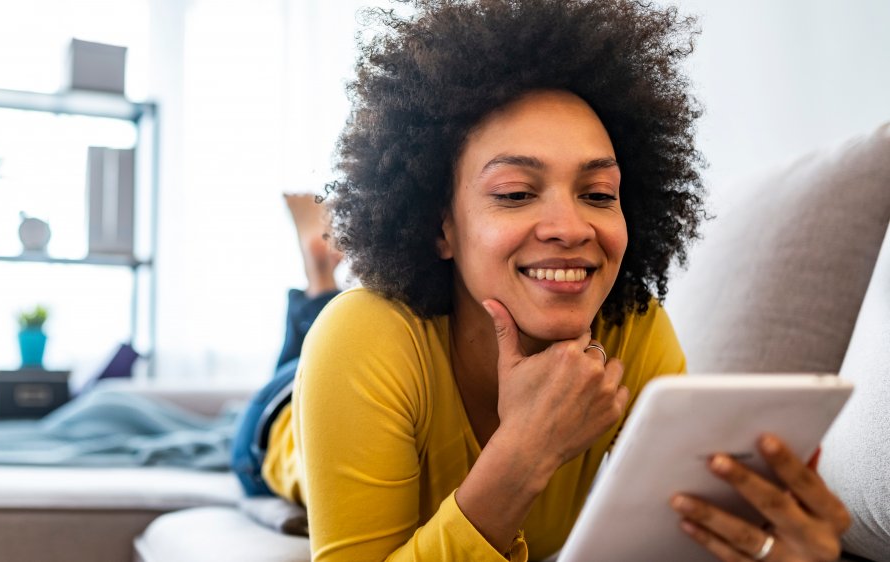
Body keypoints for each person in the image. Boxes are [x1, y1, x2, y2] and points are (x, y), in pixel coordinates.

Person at [232, 1, 851, 560]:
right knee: (306, 347)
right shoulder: (362, 337)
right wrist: (522, 454)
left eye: (598, 193)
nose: (570, 226)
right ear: (440, 224)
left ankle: (318, 272)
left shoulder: (631, 326)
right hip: (276, 430)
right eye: (516, 192)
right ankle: (319, 281)